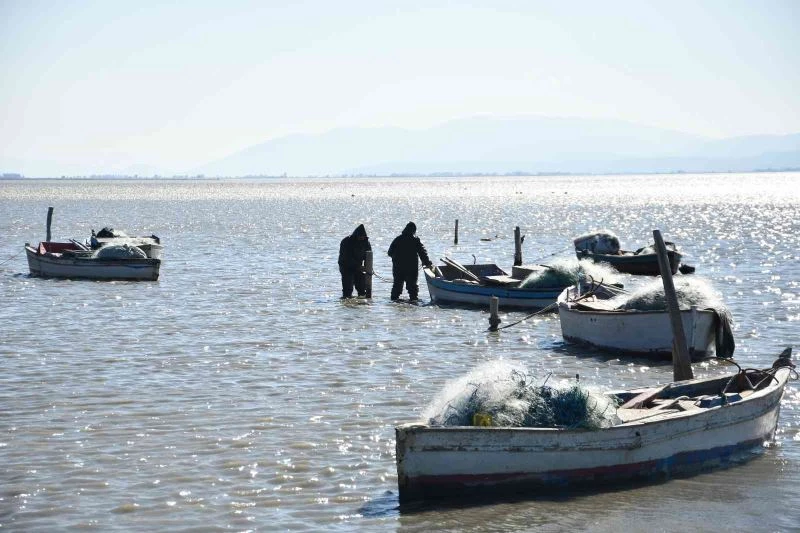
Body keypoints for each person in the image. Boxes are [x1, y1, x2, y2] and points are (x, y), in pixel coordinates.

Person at [388, 222, 432, 302]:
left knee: (397, 286)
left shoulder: (397, 239)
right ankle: (413, 302)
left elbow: (390, 252)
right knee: (412, 289)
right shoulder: (415, 240)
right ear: (413, 231)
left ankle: (393, 301)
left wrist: (396, 258)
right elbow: (422, 253)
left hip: (398, 268)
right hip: (411, 269)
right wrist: (427, 263)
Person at [338, 224, 371, 298]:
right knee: (348, 289)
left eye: (363, 236)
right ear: (356, 235)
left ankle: (361, 303)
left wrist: (367, 268)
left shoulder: (366, 242)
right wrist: (358, 266)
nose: (362, 238)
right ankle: (347, 303)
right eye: (360, 236)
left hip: (358, 268)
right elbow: (346, 258)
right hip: (346, 267)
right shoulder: (346, 241)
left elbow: (368, 256)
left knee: (362, 288)